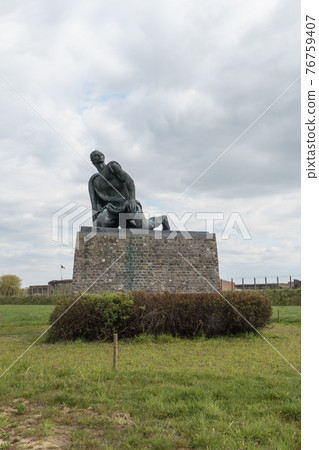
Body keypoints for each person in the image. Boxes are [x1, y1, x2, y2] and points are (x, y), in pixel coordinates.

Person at [89, 150, 170, 230]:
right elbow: (95, 205)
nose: (99, 156)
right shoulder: (94, 180)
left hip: (127, 204)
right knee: (100, 225)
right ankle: (121, 222)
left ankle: (163, 219)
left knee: (145, 228)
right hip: (111, 208)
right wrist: (95, 223)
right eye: (96, 155)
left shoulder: (112, 166)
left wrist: (132, 200)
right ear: (92, 161)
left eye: (101, 154)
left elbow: (129, 181)